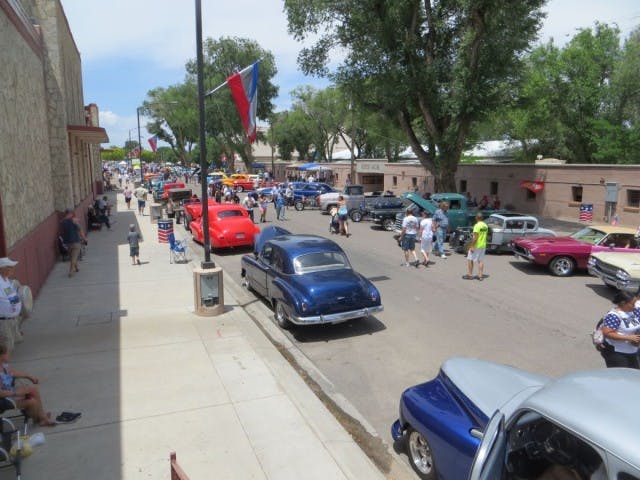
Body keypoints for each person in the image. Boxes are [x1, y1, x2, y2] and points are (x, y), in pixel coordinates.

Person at [0, 344, 56, 426]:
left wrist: (29, 376)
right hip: (5, 400)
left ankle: (42, 417)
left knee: (33, 390)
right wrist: (16, 393)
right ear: (1, 356)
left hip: (10, 393)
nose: (9, 355)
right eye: (8, 353)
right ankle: (40, 417)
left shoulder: (4, 366)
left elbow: (13, 373)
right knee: (32, 402)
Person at [600, 291, 640, 369]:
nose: (635, 306)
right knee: (621, 378)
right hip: (617, 353)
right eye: (632, 304)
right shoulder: (614, 315)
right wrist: (629, 338)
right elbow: (607, 333)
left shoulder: (632, 312)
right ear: (623, 303)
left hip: (632, 351)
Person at [0, 257, 23, 346]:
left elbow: (10, 295)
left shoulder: (5, 280)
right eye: (10, 267)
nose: (13, 269)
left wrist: (16, 305)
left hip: (11, 318)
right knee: (6, 345)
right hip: (4, 320)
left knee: (12, 342)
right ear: (2, 269)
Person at [60, 208, 86, 277]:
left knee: (72, 256)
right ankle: (71, 271)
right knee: (74, 257)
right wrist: (84, 239)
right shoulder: (74, 220)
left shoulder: (62, 222)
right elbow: (80, 230)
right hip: (75, 241)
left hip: (67, 243)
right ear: (71, 213)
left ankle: (76, 268)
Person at [464, 213, 489, 281]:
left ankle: (470, 275)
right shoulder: (485, 225)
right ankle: (480, 276)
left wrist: (471, 246)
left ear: (476, 218)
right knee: (480, 260)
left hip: (477, 245)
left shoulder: (477, 226)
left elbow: (475, 237)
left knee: (470, 259)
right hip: (483, 245)